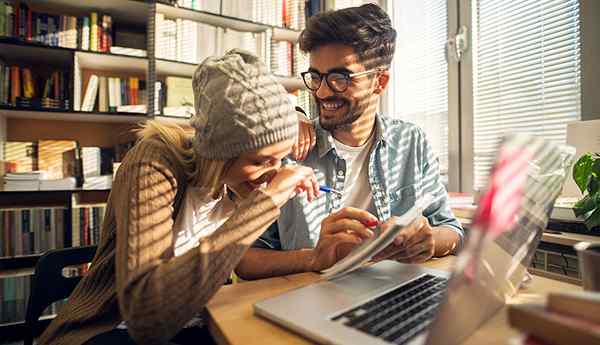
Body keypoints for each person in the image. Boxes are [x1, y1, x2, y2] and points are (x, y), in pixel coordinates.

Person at [38, 50, 318, 345]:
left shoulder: (235, 187)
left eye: (280, 158)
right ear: (219, 153)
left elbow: (241, 264)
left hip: (199, 323)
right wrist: (264, 205)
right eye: (261, 161)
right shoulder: (154, 161)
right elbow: (145, 316)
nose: (272, 174)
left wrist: (315, 257)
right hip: (110, 330)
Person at [236, 4, 464, 280]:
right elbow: (245, 260)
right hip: (307, 299)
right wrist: (313, 258)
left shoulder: (411, 142)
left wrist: (428, 242)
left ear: (379, 82)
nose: (321, 91)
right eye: (316, 77)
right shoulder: (289, 151)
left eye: (339, 78)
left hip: (392, 291)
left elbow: (451, 231)